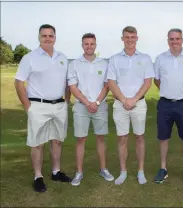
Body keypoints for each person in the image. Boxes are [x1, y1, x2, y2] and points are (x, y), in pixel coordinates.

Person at [14, 24, 71, 192]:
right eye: (44, 35)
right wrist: (28, 107)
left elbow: (68, 82)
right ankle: (38, 176)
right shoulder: (29, 57)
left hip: (59, 105)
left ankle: (56, 172)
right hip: (37, 106)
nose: (47, 38)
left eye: (50, 35)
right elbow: (19, 83)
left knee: (57, 141)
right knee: (37, 143)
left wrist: (66, 101)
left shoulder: (63, 57)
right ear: (39, 37)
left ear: (55, 37)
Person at [107, 26, 155, 185]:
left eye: (132, 37)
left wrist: (134, 99)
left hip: (138, 104)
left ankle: (141, 171)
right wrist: (124, 100)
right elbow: (111, 82)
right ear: (122, 38)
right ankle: (123, 171)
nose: (129, 39)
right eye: (127, 37)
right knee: (122, 138)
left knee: (139, 137)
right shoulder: (114, 59)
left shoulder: (145, 58)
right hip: (120, 105)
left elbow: (148, 82)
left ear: (137, 38)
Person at [153, 28, 183, 186]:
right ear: (168, 40)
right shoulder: (160, 58)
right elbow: (157, 80)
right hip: (165, 104)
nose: (174, 42)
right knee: (163, 138)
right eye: (171, 39)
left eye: (177, 39)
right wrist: (167, 91)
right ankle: (163, 169)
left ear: (182, 40)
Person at [67, 33, 114, 186]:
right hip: (81, 107)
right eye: (86, 44)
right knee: (81, 139)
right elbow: (72, 87)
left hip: (99, 107)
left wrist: (97, 102)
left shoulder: (104, 63)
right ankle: (79, 172)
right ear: (82, 45)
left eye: (92, 44)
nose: (89, 46)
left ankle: (103, 168)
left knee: (101, 138)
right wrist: (88, 103)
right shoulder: (74, 64)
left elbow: (107, 85)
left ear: (95, 45)